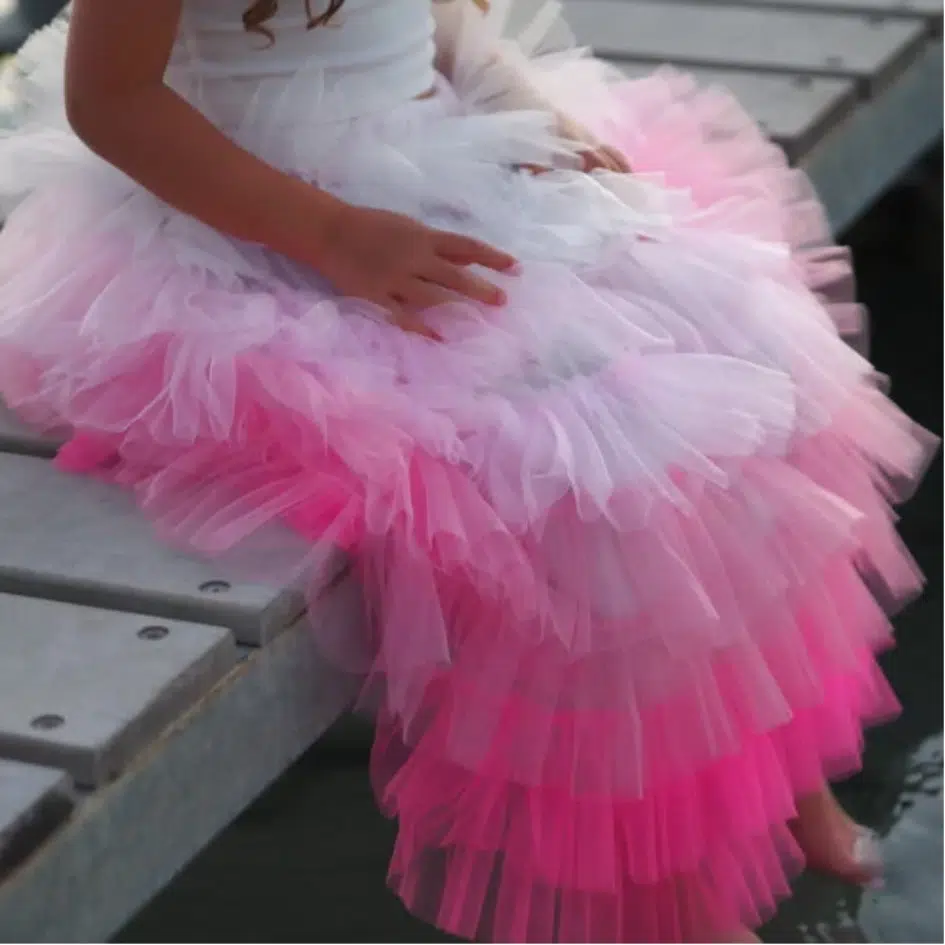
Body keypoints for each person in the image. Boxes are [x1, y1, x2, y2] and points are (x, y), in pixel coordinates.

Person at [0, 0, 936, 940]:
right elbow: (114, 101)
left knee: (736, 365)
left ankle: (783, 779)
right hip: (268, 229)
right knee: (595, 497)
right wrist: (336, 235)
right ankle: (677, 900)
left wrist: (516, 101)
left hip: (435, 152)